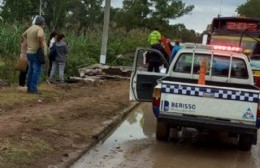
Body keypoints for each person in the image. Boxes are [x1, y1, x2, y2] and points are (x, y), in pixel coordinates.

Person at [22, 15, 47, 94]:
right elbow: (39, 37)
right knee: (36, 71)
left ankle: (29, 88)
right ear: (42, 23)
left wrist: (27, 43)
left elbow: (22, 35)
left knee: (31, 71)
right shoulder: (40, 29)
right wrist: (40, 46)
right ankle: (33, 89)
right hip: (36, 52)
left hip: (29, 52)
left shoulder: (30, 28)